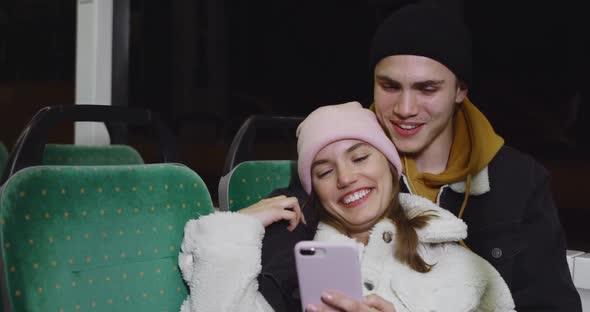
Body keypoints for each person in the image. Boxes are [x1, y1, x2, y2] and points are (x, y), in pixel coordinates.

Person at [255, 3, 582, 312]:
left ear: (460, 91)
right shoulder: (345, 155)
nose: (405, 109)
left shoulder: (519, 182)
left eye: (427, 89)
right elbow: (276, 272)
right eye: (390, 86)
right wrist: (241, 229)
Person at [178, 102, 516, 311]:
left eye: (360, 157)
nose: (346, 177)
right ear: (316, 192)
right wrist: (237, 227)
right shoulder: (290, 257)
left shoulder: (454, 261)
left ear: (390, 165)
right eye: (324, 171)